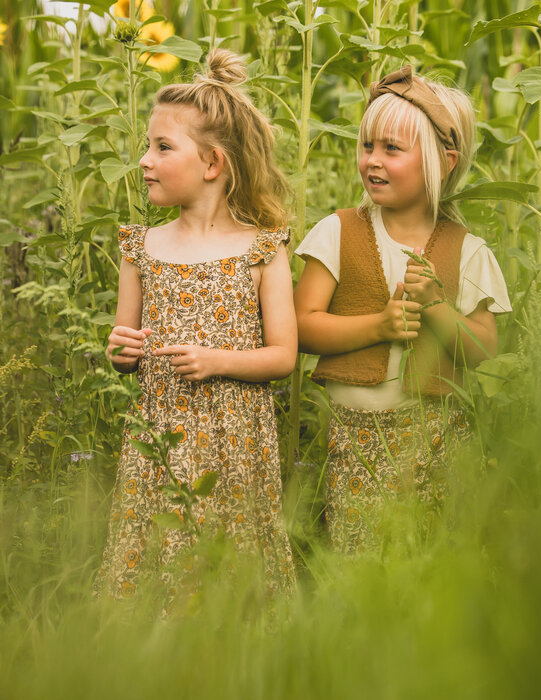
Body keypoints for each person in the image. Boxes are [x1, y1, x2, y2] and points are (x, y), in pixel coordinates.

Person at [96, 49, 297, 600]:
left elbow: (283, 356)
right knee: (158, 552)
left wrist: (219, 361)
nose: (144, 160)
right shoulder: (141, 246)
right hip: (159, 435)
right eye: (147, 146)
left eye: (163, 147)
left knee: (230, 566)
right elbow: (123, 349)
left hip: (236, 442)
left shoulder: (262, 249)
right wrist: (121, 350)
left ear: (212, 163)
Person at [294, 65, 511, 552]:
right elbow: (302, 327)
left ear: (444, 161)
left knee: (431, 560)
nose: (373, 160)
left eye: (392, 149)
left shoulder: (467, 250)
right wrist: (380, 326)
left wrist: (435, 306)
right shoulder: (338, 232)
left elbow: (486, 350)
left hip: (436, 439)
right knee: (360, 562)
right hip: (354, 439)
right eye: (367, 145)